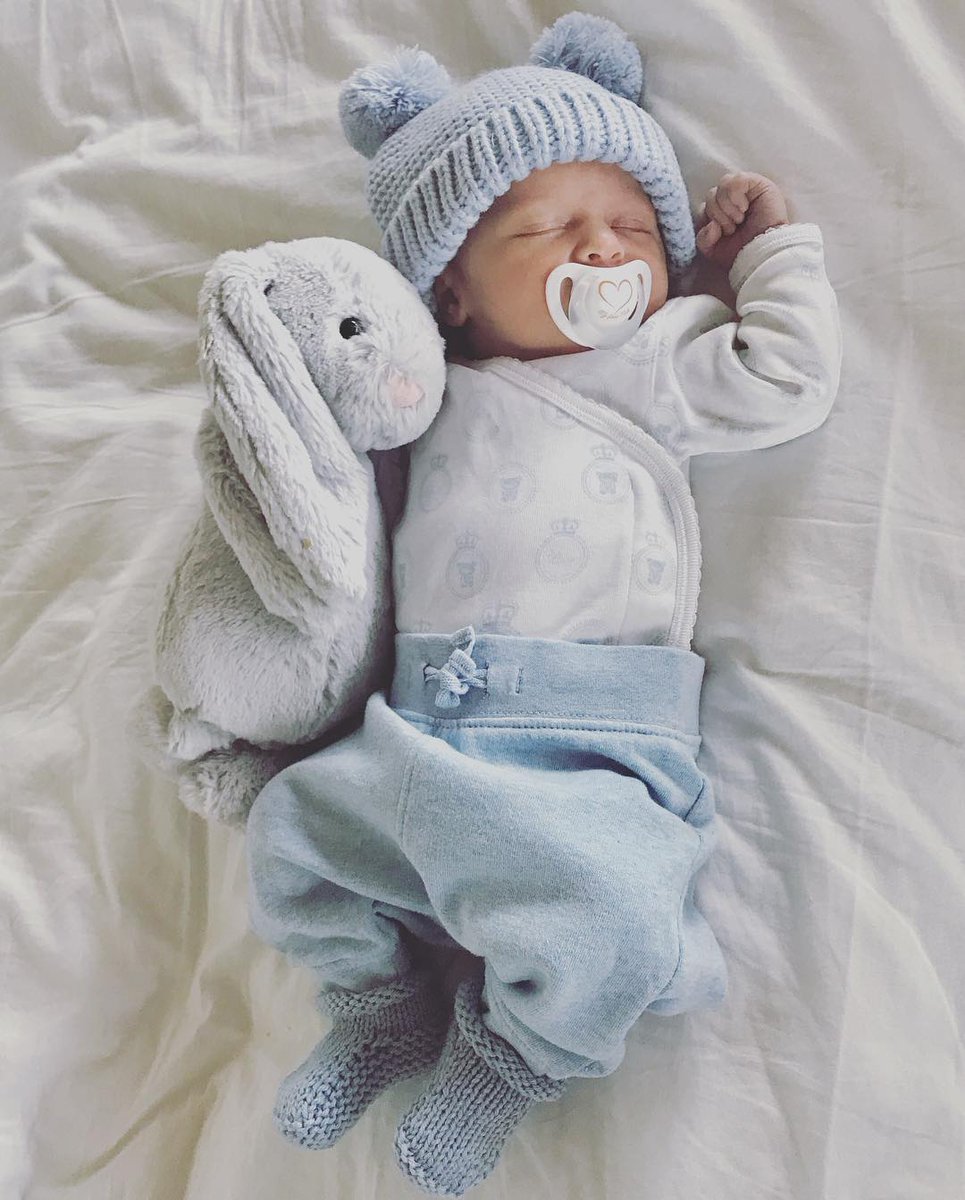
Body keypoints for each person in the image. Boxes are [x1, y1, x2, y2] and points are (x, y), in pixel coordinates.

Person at [246, 12, 842, 1196]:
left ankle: (511, 1059)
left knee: (614, 918)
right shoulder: (423, 393)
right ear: (452, 293)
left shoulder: (653, 361)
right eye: (546, 228)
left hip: (592, 747)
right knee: (295, 835)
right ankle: (379, 1007)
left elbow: (786, 380)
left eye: (632, 226)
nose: (605, 249)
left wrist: (765, 258)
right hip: (414, 732)